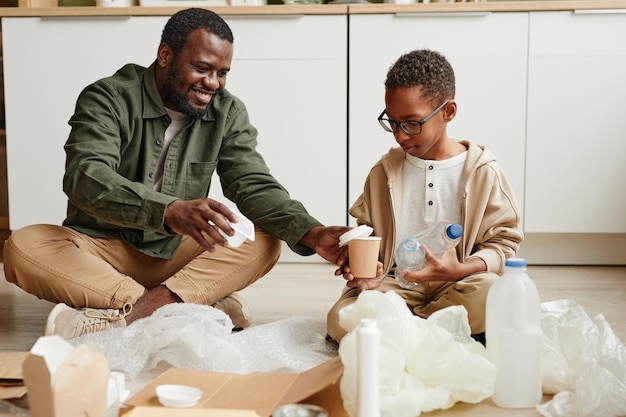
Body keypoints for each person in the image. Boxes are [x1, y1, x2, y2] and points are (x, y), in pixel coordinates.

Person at [3, 8, 353, 340]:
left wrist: (311, 232)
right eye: (202, 69)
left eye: (222, 72)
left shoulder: (227, 112)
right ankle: (192, 306)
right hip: (101, 251)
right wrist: (168, 210)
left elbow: (252, 183)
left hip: (174, 254)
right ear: (166, 55)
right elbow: (85, 176)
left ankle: (132, 315)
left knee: (264, 239)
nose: (213, 83)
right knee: (22, 247)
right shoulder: (108, 97)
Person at [326, 49, 524, 345]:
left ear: (448, 112)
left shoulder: (483, 172)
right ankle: (436, 329)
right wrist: (367, 270)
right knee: (340, 318)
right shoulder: (383, 173)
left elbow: (504, 244)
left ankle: (404, 330)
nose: (400, 136)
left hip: (457, 283)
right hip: (395, 286)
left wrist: (461, 269)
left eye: (412, 123)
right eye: (392, 122)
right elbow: (368, 239)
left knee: (491, 291)